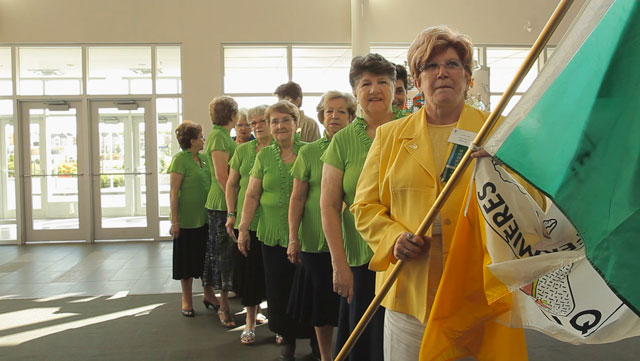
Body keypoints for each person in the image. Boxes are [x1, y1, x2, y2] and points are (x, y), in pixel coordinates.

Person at [350, 26, 545, 361]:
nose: (442, 73)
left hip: (480, 298)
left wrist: (501, 174)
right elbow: (364, 206)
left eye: (453, 64)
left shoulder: (498, 133)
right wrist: (393, 238)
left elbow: (535, 201)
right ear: (416, 80)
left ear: (468, 77)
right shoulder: (388, 136)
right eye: (430, 66)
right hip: (409, 298)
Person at [320, 53, 401, 361]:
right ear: (355, 92)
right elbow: (328, 206)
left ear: (394, 88)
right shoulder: (342, 141)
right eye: (365, 83)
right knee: (365, 346)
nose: (374, 89)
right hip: (361, 264)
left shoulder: (411, 130)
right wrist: (339, 265)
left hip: (406, 261)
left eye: (382, 81)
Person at [238, 100, 313, 361]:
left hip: (307, 235)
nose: (279, 126)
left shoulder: (311, 151)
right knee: (278, 293)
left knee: (307, 290)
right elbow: (252, 194)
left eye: (285, 120)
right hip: (270, 236)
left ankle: (316, 343)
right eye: (274, 121)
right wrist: (244, 229)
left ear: (296, 122)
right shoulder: (264, 155)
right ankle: (288, 341)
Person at [287, 91, 356, 361]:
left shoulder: (360, 147)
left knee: (352, 303)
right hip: (316, 241)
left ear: (351, 117)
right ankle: (327, 357)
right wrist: (294, 238)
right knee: (321, 305)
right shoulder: (309, 152)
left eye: (341, 111)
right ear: (321, 116)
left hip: (353, 241)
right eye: (329, 111)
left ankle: (350, 353)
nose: (334, 116)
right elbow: (298, 197)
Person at [225, 105, 272, 345]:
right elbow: (232, 184)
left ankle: (279, 323)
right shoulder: (243, 151)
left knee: (275, 276)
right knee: (250, 275)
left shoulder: (281, 149)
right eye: (252, 123)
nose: (257, 126)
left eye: (262, 121)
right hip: (248, 222)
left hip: (276, 224)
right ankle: (250, 323)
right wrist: (232, 214)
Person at [168, 121, 211, 318]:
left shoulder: (204, 159)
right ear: (192, 140)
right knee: (186, 261)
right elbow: (174, 192)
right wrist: (174, 221)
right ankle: (186, 298)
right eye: (201, 136)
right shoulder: (180, 160)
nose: (204, 139)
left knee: (206, 259)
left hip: (205, 218)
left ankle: (208, 294)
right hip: (186, 220)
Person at [203, 96, 238, 328]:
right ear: (233, 116)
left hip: (223, 202)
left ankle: (210, 295)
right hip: (221, 204)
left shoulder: (222, 135)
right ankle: (223, 306)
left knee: (218, 253)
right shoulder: (218, 137)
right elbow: (221, 175)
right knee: (223, 255)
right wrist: (231, 207)